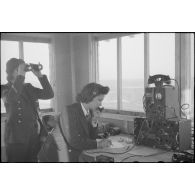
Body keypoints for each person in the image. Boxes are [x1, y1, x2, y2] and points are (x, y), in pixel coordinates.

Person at [1, 58, 54, 162]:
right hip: (16, 138)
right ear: (14, 70)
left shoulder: (28, 87)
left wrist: (40, 76)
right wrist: (20, 76)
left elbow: (49, 94)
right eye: (21, 69)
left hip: (33, 135)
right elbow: (11, 99)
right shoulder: (4, 88)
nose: (24, 72)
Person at [65, 82, 112, 162]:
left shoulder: (88, 111)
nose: (101, 104)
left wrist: (94, 122)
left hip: (75, 153)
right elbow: (74, 141)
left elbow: (90, 138)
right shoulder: (70, 111)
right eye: (99, 100)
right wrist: (98, 144)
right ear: (89, 97)